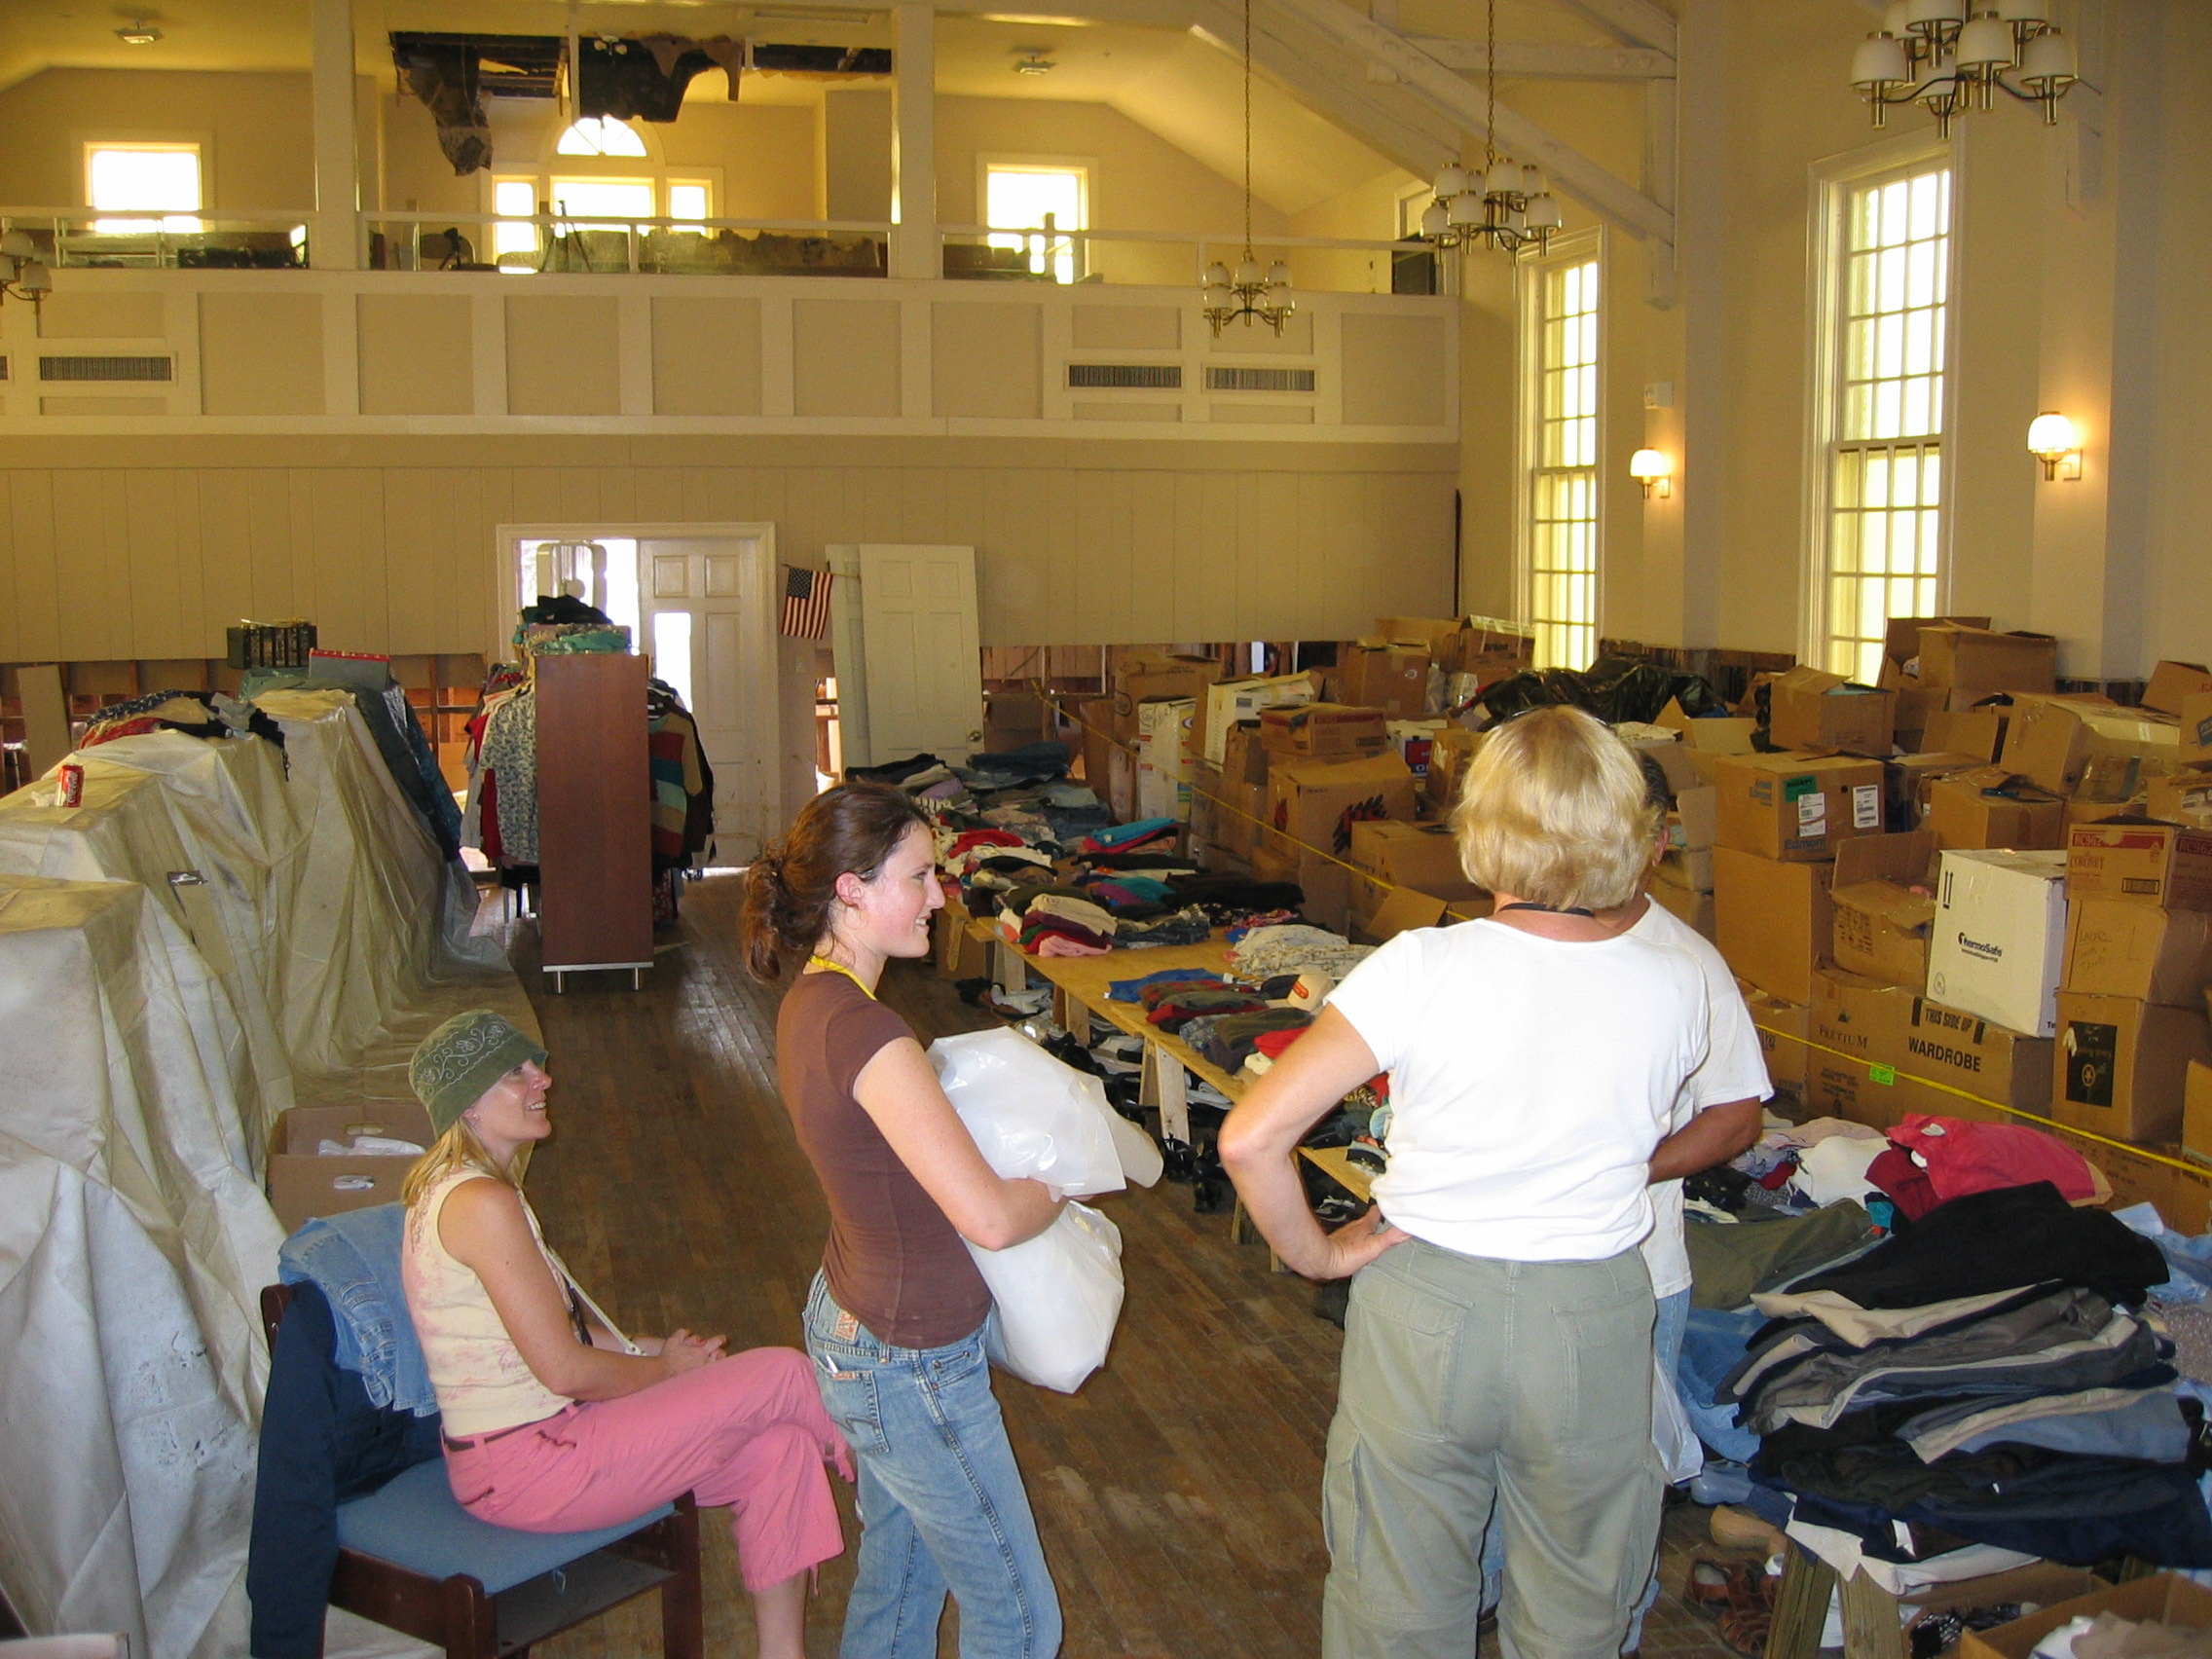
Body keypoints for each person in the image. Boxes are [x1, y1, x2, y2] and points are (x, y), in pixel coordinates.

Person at [1219, 705, 1725, 1659]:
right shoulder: (1676, 981)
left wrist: (1319, 1254)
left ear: (1483, 828)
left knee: (1396, 1598)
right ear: (1627, 829)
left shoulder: (1423, 966)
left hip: (1425, 1299)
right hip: (1590, 1309)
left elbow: (1251, 1137)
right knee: (1580, 1599)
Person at [398, 1009, 847, 1659]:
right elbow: (564, 1370)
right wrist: (664, 1374)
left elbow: (566, 1332)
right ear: (465, 1105)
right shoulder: (481, 1206)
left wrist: (656, 1352)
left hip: (540, 1450)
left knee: (780, 1448)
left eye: (536, 1064)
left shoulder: (472, 1192)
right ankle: (890, 1482)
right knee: (782, 1373)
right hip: (532, 1464)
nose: (542, 1080)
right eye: (515, 1073)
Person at [742, 782, 1065, 1659]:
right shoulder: (869, 1033)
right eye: (920, 877)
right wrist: (1062, 1181)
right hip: (910, 1361)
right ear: (850, 888)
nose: (938, 897)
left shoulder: (812, 1002)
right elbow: (993, 1220)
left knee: (900, 1588)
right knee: (1021, 1617)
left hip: (856, 1324)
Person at [1472, 752, 1773, 1649]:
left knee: (1609, 1491)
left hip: (1637, 1272)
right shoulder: (1510, 942)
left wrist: (1624, 1168)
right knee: (1492, 1471)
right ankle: (1485, 1607)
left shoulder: (1687, 965)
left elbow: (1737, 1116)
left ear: (1654, 841)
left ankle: (1612, 1633)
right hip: (1505, 1266)